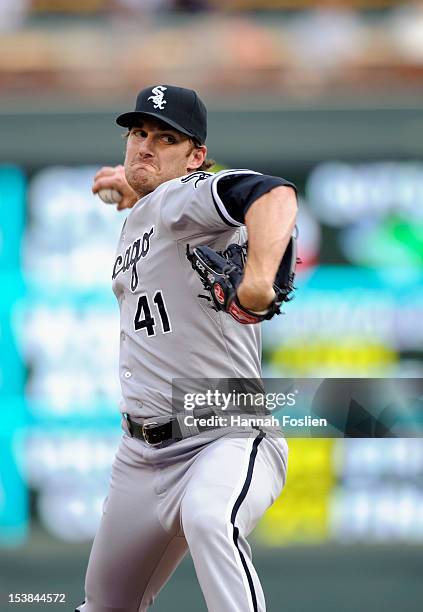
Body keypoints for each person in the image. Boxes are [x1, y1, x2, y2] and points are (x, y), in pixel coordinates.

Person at [76, 84, 297, 612]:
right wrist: (131, 185)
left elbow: (274, 195)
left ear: (196, 157)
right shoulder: (151, 208)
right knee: (104, 605)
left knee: (209, 516)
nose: (145, 145)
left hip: (224, 433)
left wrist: (259, 281)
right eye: (138, 133)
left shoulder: (186, 197)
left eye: (166, 138)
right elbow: (159, 204)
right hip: (140, 456)